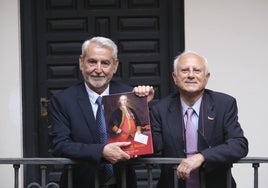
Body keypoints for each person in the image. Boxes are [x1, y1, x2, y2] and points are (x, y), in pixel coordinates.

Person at [49, 36, 154, 188]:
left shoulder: (130, 95)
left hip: (123, 182)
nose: (98, 70)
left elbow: (146, 144)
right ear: (81, 62)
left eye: (105, 63)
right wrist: (101, 151)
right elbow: (59, 145)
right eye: (92, 62)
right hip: (80, 183)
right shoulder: (63, 100)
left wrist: (142, 107)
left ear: (115, 66)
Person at [150, 51, 248, 188]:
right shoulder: (160, 109)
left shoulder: (224, 104)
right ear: (175, 77)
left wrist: (202, 156)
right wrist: (140, 106)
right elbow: (150, 148)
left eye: (197, 70)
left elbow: (239, 145)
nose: (191, 75)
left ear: (206, 77)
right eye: (184, 70)